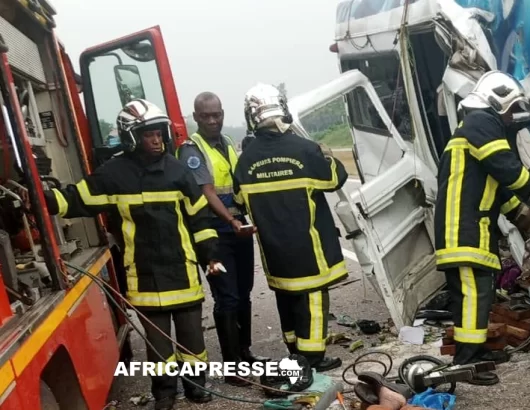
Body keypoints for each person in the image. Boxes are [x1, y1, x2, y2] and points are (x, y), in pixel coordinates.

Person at [43, 100, 220, 410]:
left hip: (182, 271)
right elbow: (77, 199)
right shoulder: (114, 174)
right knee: (158, 345)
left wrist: (211, 256)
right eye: (148, 134)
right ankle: (165, 394)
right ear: (130, 137)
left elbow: (199, 219)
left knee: (192, 337)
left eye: (159, 133)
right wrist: (40, 198)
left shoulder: (178, 170)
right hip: (144, 274)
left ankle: (196, 387)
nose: (156, 140)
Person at [434, 71, 530, 385]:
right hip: (461, 230)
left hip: (470, 228)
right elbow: (508, 171)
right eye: (511, 107)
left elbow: (501, 192)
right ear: (497, 101)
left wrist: (528, 220)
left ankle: (475, 353)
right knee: (473, 295)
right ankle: (466, 361)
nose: (512, 115)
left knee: (480, 294)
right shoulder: (480, 123)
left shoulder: (475, 129)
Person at [232, 83, 346, 372]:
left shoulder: (245, 161)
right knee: (313, 300)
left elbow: (239, 201)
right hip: (309, 247)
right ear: (282, 109)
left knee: (287, 299)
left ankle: (294, 351)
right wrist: (328, 155)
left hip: (275, 252)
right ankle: (314, 359)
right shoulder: (304, 150)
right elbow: (335, 179)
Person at [176, 92, 263, 387]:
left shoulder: (227, 143)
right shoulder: (191, 149)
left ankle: (243, 351)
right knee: (227, 296)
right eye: (206, 116)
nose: (213, 120)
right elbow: (207, 191)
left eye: (217, 115)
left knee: (244, 291)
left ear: (223, 113)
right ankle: (232, 367)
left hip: (238, 228)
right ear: (196, 118)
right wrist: (231, 220)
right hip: (213, 233)